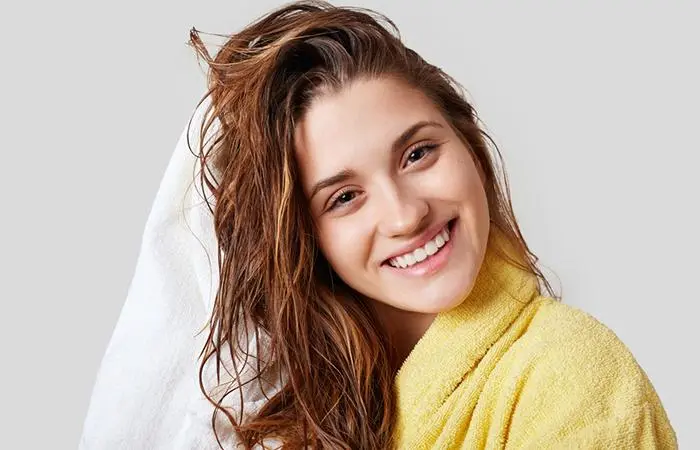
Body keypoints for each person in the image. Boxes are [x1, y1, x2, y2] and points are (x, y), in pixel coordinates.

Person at [83, 1, 677, 448]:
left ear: (467, 143)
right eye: (344, 197)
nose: (405, 214)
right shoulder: (298, 408)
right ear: (304, 237)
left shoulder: (568, 375)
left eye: (417, 154)